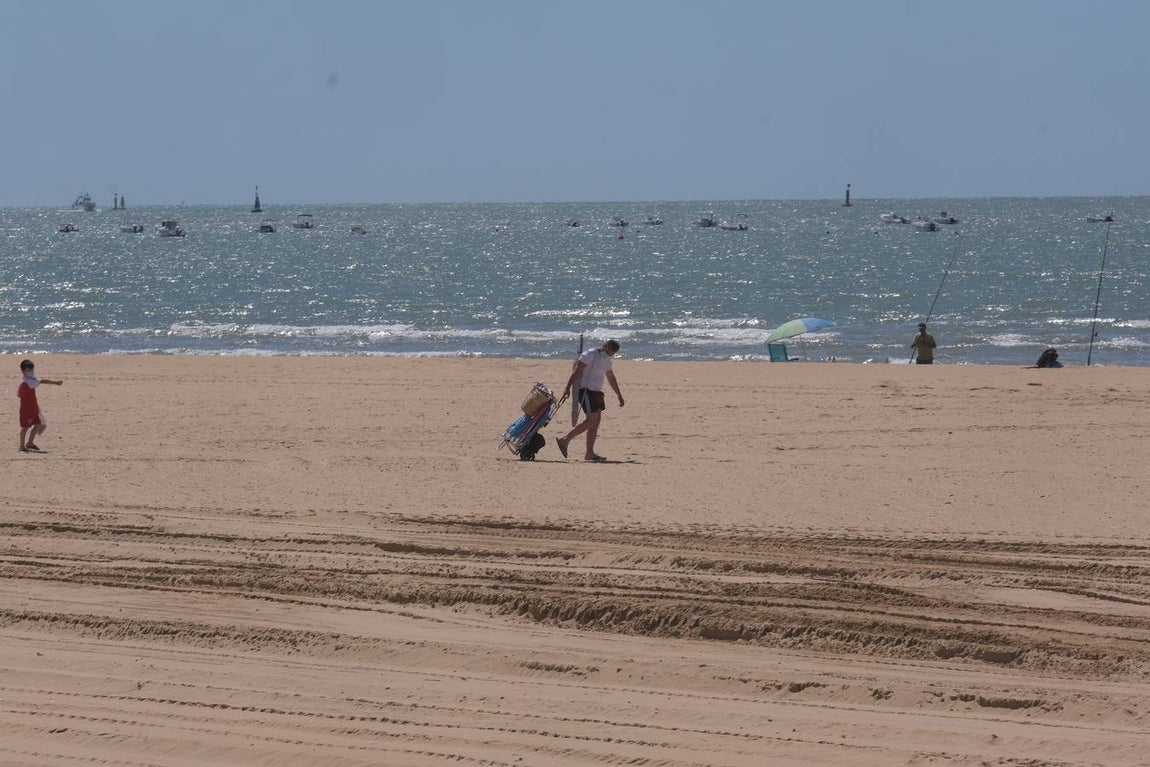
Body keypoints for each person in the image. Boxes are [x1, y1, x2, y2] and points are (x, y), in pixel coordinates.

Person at [557, 339, 624, 462]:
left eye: (612, 353)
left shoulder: (607, 361)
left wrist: (619, 395)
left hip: (597, 392)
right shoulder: (591, 354)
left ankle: (589, 453)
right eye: (609, 351)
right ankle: (565, 440)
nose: (609, 354)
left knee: (595, 423)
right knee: (591, 421)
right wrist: (567, 388)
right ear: (605, 346)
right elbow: (577, 370)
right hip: (586, 391)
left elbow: (611, 379)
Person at [17, 359, 63, 452]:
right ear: (23, 371)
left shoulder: (27, 380)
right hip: (27, 409)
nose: (31, 372)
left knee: (38, 424)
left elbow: (19, 394)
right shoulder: (28, 381)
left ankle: (30, 443)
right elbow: (43, 381)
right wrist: (55, 383)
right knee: (25, 427)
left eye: (32, 370)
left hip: (33, 407)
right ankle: (21, 446)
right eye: (28, 371)